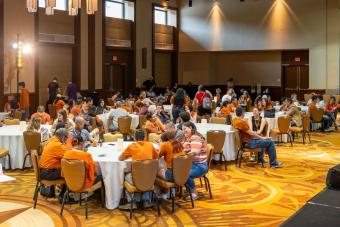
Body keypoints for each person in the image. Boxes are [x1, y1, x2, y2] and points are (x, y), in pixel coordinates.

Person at [119, 130, 158, 209]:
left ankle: (132, 202)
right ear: (144, 138)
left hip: (136, 179)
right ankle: (146, 201)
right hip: (149, 178)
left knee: (125, 175)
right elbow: (156, 157)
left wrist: (130, 155)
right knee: (147, 177)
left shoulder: (131, 146)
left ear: (134, 138)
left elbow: (121, 158)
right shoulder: (150, 145)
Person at [182, 121, 208, 201]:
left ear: (190, 128)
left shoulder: (195, 137)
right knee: (179, 171)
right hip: (194, 164)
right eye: (182, 129)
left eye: (185, 129)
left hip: (200, 165)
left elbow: (194, 151)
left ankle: (194, 193)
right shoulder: (189, 137)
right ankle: (189, 188)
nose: (183, 131)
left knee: (184, 174)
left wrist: (184, 156)